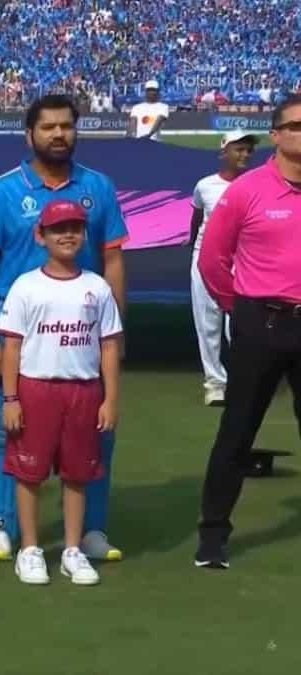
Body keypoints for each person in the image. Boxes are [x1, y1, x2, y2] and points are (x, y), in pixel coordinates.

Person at [0, 94, 128, 563]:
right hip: (18, 335)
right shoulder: (1, 192)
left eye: (66, 126)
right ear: (29, 135)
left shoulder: (98, 187)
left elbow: (114, 259)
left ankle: (91, 529)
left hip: (82, 333)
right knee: (7, 428)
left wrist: (116, 335)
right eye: (48, 128)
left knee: (95, 426)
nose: (58, 135)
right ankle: (0, 526)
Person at [195, 95, 301, 569]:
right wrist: (238, 309)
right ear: (276, 134)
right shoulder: (247, 191)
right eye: (296, 126)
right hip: (262, 321)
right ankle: (213, 536)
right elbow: (212, 259)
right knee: (237, 431)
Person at [0, 200, 122, 586]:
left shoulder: (96, 287)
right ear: (41, 236)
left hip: (83, 391)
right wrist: (11, 398)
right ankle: (30, 550)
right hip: (36, 390)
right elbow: (12, 348)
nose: (67, 235)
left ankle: (71, 549)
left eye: (75, 228)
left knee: (77, 474)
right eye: (58, 229)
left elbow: (109, 346)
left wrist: (110, 397)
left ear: (85, 236)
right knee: (29, 474)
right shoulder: (26, 286)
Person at [188, 130, 257, 406]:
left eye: (248, 150)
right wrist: (195, 249)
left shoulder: (256, 184)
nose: (244, 155)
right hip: (206, 260)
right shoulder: (205, 185)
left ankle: (244, 380)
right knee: (207, 322)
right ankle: (215, 383)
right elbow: (196, 219)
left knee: (241, 322)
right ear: (224, 152)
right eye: (238, 149)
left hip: (245, 261)